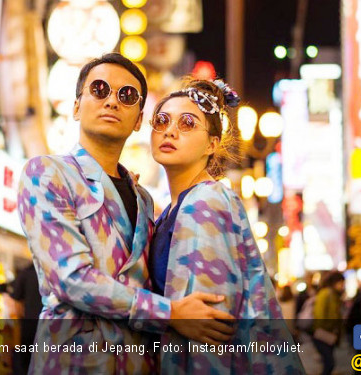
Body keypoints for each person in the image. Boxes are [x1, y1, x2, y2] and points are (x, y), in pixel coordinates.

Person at [18, 53, 234, 374]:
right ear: (76, 107)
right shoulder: (47, 173)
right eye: (99, 89)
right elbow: (70, 279)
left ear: (137, 120)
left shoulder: (144, 199)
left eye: (127, 95)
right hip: (72, 364)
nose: (111, 102)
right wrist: (170, 313)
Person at [148, 79, 304, 374]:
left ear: (212, 144)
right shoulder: (177, 206)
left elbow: (210, 327)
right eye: (162, 120)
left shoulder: (203, 202)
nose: (170, 130)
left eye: (188, 123)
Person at [11, 263, 42, 375]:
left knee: (26, 361)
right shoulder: (49, 272)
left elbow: (16, 300)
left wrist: (20, 319)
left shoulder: (26, 273)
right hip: (47, 323)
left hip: (28, 323)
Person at [311, 271, 345, 375]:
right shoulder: (326, 293)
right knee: (329, 363)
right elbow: (319, 314)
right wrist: (326, 328)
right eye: (341, 283)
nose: (342, 286)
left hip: (330, 333)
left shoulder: (335, 295)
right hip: (323, 333)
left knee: (329, 362)